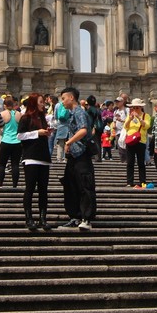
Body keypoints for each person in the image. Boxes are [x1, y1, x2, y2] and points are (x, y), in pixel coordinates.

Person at [58, 86, 95, 230]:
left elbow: (84, 130)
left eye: (63, 98)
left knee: (84, 185)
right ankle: (75, 216)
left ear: (71, 97)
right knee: (71, 185)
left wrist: (68, 142)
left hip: (81, 154)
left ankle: (86, 218)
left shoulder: (79, 112)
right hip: (74, 155)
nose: (62, 102)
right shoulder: (71, 113)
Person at [18, 93, 52, 230]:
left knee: (43, 190)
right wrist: (37, 133)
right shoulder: (25, 118)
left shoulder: (43, 118)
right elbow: (20, 135)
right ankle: (29, 218)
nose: (43, 104)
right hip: (31, 157)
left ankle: (42, 219)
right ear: (33, 103)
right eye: (41, 102)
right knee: (30, 189)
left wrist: (47, 133)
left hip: (44, 157)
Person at [123, 98, 150, 187]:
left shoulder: (146, 115)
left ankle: (142, 182)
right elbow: (125, 126)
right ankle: (129, 182)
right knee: (130, 162)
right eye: (133, 108)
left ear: (141, 108)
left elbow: (146, 126)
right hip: (130, 140)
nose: (135, 110)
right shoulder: (130, 115)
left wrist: (139, 118)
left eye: (137, 108)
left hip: (140, 141)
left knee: (141, 162)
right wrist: (130, 119)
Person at [0, 95, 22, 189]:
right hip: (17, 142)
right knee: (15, 164)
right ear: (13, 104)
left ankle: (0, 184)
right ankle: (15, 185)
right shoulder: (19, 114)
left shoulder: (2, 114)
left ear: (5, 104)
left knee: (1, 165)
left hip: (5, 141)